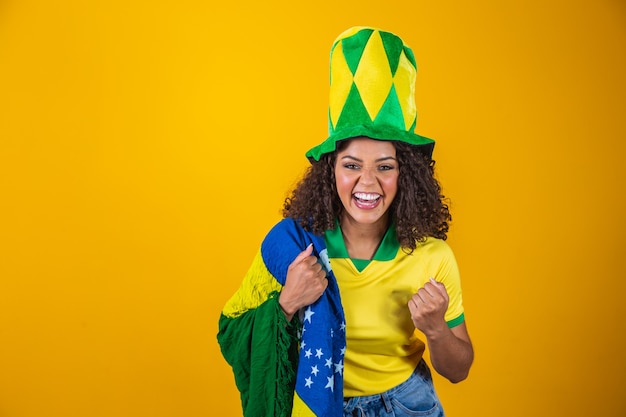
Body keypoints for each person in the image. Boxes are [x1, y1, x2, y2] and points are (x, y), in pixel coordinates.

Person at [217, 26, 473, 417]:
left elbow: (459, 370)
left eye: (384, 167)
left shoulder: (433, 257)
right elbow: (231, 334)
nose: (367, 183)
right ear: (329, 171)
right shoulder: (293, 248)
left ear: (406, 175)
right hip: (319, 405)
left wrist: (436, 327)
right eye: (351, 165)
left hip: (407, 403)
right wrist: (287, 302)